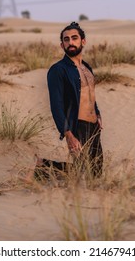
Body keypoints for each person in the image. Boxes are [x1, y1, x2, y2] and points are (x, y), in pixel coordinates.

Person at [47, 22, 103, 177]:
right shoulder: (58, 70)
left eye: (74, 38)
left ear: (83, 41)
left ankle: (41, 167)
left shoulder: (87, 67)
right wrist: (68, 134)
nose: (70, 42)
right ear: (61, 45)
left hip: (94, 126)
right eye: (66, 39)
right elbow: (56, 105)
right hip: (77, 126)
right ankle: (42, 166)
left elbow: (90, 94)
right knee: (83, 173)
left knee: (96, 172)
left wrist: (97, 114)